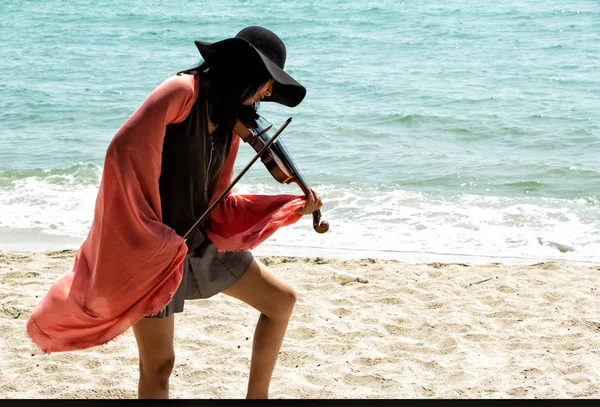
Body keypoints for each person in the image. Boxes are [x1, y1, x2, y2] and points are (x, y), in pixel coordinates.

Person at [26, 26, 322, 399]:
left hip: (198, 240)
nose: (266, 94)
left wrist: (286, 206)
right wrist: (150, 233)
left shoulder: (231, 122)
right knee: (160, 364)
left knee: (281, 301)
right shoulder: (182, 91)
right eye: (266, 83)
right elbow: (123, 154)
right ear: (246, 71)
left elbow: (218, 200)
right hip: (153, 248)